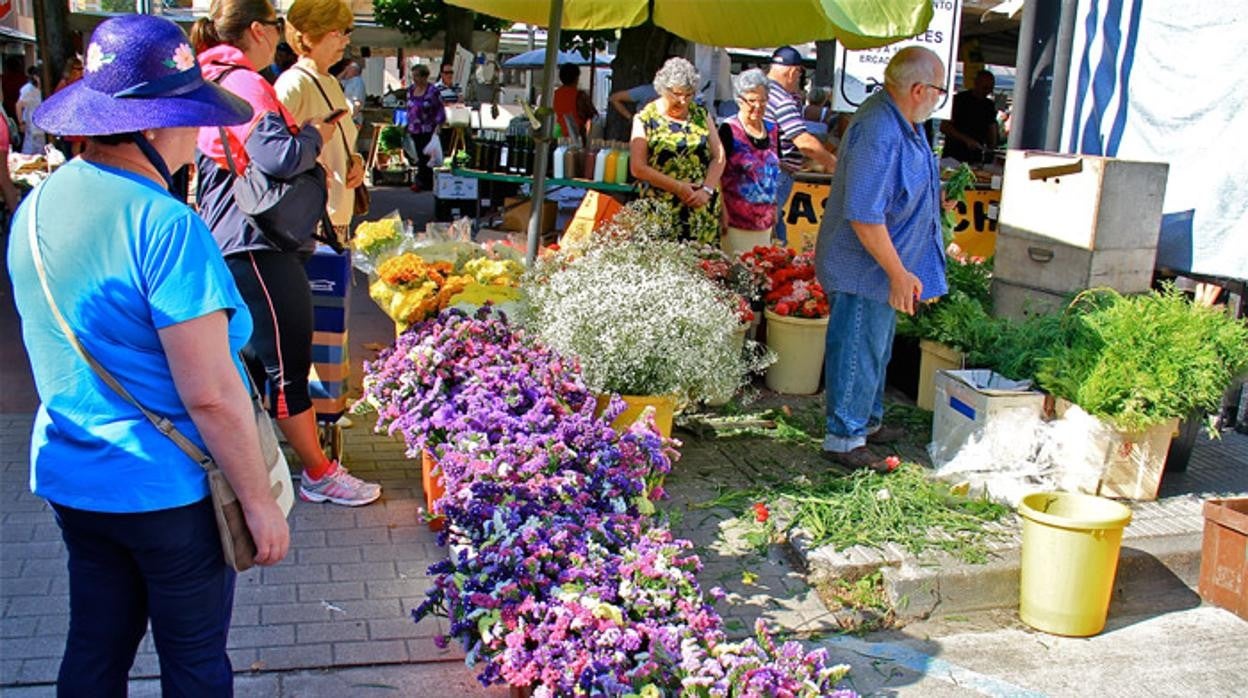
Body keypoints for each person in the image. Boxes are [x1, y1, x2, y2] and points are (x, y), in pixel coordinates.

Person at [7, 14, 290, 694]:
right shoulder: (165, 223)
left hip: (76, 479)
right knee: (194, 665)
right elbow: (210, 392)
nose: (200, 135)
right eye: (191, 116)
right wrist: (258, 502)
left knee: (95, 652)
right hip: (169, 495)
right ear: (156, 125)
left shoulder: (37, 205)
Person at [193, 0, 381, 507]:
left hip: (239, 237)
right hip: (257, 239)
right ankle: (318, 473)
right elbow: (280, 156)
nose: (280, 35)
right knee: (286, 364)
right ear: (257, 29)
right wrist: (315, 134)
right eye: (276, 26)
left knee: (260, 364)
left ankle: (258, 466)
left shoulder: (214, 77)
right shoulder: (247, 82)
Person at [814, 46, 949, 472]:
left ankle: (865, 422)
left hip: (885, 268)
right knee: (857, 346)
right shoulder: (880, 129)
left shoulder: (900, 121)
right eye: (940, 91)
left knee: (875, 346)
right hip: (865, 268)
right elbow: (865, 214)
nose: (939, 100)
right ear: (917, 89)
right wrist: (896, 272)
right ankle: (844, 438)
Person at [276, 0, 365, 244]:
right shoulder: (293, 83)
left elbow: (342, 142)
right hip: (311, 223)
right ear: (309, 36)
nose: (346, 41)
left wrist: (356, 161)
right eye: (339, 32)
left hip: (336, 217)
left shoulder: (331, 82)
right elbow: (272, 150)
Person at [630, 57, 725, 246]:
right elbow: (638, 168)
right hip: (660, 211)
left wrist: (706, 190)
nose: (682, 101)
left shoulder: (701, 114)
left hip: (700, 210)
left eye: (689, 95)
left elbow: (719, 156)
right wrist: (679, 188)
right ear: (663, 89)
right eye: (677, 94)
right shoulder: (645, 118)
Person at [766, 46, 836, 245]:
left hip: (765, 172)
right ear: (792, 71)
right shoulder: (782, 100)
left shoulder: (764, 92)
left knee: (776, 230)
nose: (798, 79)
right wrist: (833, 164)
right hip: (778, 173)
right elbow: (803, 142)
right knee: (770, 226)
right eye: (798, 74)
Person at [717, 68, 780, 256]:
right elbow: (717, 173)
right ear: (739, 100)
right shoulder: (729, 129)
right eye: (752, 101)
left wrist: (775, 208)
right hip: (736, 221)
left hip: (765, 221)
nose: (758, 106)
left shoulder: (773, 129)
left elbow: (774, 171)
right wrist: (722, 211)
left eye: (763, 101)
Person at [940, 69, 997, 164]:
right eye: (985, 88)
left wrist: (992, 149)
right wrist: (966, 140)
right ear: (976, 84)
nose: (987, 92)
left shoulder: (989, 105)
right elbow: (944, 127)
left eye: (990, 88)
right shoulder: (959, 100)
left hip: (975, 158)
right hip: (953, 156)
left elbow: (992, 128)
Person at [402, 63, 444, 192]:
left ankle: (423, 182)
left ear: (424, 77)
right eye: (413, 76)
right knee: (418, 155)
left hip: (427, 128)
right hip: (414, 127)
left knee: (425, 156)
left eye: (416, 76)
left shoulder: (433, 91)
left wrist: (438, 125)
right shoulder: (410, 90)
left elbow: (439, 109)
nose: (414, 79)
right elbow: (409, 107)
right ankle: (424, 181)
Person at [553, 63, 597, 143]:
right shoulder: (580, 96)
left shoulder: (555, 94)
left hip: (559, 135)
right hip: (577, 136)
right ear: (576, 78)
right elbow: (593, 115)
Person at [52, 56, 86, 157]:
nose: (81, 71)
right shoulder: (64, 84)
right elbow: (57, 104)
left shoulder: (83, 82)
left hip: (82, 123)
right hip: (70, 124)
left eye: (82, 68)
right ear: (71, 69)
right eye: (78, 68)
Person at [15, 66, 45, 155]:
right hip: (32, 127)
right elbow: (18, 105)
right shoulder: (28, 89)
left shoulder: (45, 88)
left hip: (43, 128)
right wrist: (21, 123)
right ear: (35, 77)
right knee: (29, 154)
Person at [337, 58, 367, 126]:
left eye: (350, 70)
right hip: (346, 117)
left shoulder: (358, 82)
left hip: (353, 117)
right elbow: (335, 82)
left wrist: (352, 117)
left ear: (355, 71)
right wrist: (345, 71)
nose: (348, 71)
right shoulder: (348, 81)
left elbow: (357, 102)